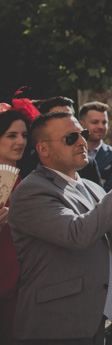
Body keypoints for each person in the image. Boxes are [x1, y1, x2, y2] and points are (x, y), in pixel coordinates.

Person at [9, 111, 112, 343]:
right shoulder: (32, 190)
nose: (82, 141)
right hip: (57, 325)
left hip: (96, 323)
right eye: (71, 138)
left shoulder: (92, 187)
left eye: (83, 134)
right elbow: (77, 233)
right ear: (43, 149)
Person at [0, 109, 32, 345]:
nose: (20, 141)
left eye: (23, 135)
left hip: (22, 277)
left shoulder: (22, 179)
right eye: (11, 135)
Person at [78, 102, 112, 191]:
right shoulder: (69, 152)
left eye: (104, 122)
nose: (101, 126)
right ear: (81, 124)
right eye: (95, 122)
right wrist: (101, 181)